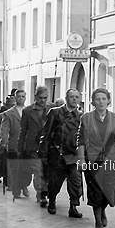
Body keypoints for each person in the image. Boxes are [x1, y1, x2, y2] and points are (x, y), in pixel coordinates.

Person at [76, 89, 115, 228]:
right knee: (95, 190)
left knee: (108, 190)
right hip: (92, 160)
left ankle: (102, 210)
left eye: (103, 99)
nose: (101, 102)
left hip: (111, 160)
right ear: (93, 102)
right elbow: (81, 140)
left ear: (108, 101)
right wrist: (82, 159)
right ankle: (98, 220)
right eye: (97, 99)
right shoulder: (86, 118)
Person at [40, 88, 83, 218]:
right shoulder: (55, 112)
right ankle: (52, 201)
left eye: (77, 97)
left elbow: (84, 137)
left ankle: (73, 207)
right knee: (55, 182)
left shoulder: (81, 116)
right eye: (71, 97)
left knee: (76, 182)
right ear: (66, 98)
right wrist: (43, 153)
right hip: (57, 153)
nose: (74, 99)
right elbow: (46, 133)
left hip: (74, 155)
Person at [19, 86, 50, 207]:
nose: (43, 100)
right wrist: (20, 148)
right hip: (33, 146)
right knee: (38, 170)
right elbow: (23, 131)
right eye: (40, 98)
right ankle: (40, 194)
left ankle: (45, 191)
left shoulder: (51, 109)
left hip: (47, 145)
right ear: (36, 97)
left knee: (47, 171)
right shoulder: (27, 111)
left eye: (45, 98)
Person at [0, 89, 28, 200]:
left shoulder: (29, 111)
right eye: (19, 96)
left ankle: (24, 185)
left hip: (26, 145)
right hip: (14, 144)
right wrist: (5, 142)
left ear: (25, 98)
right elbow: (4, 130)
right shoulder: (8, 114)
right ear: (15, 98)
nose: (21, 98)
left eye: (23, 96)